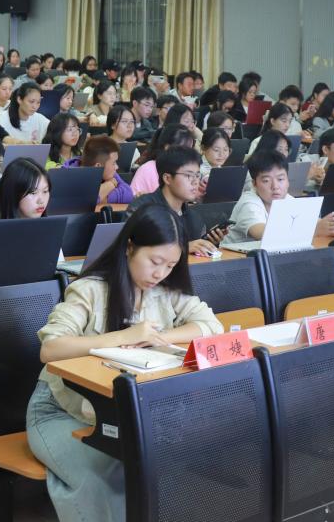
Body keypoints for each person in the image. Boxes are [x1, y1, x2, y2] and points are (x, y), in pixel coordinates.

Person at [27, 204, 223, 521]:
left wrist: (158, 337)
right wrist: (123, 337)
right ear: (130, 247)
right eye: (155, 262)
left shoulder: (165, 291)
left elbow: (211, 326)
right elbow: (50, 349)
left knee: (152, 466)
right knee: (102, 475)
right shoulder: (89, 289)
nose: (160, 273)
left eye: (171, 265)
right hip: (59, 411)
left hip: (120, 414)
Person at [222, 150, 334, 246]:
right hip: (235, 263)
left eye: (280, 179)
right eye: (266, 181)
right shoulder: (249, 202)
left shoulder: (287, 199)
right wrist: (315, 230)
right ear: (254, 184)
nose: (275, 186)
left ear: (288, 180)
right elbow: (264, 234)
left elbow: (314, 222)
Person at [128, 146, 226, 256]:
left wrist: (208, 243)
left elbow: (193, 254)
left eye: (197, 175)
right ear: (167, 178)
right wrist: (183, 247)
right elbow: (133, 252)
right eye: (188, 175)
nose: (195, 182)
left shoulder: (194, 218)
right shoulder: (141, 209)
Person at [0, 157, 50, 232]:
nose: (41, 201)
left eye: (45, 191)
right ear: (14, 192)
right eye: (33, 193)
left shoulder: (45, 226)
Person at [65, 136, 133, 204]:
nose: (117, 167)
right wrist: (110, 184)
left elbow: (129, 194)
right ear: (98, 166)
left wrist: (101, 198)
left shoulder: (110, 174)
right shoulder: (69, 175)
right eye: (113, 163)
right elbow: (81, 201)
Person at [131, 125, 195, 196]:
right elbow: (134, 199)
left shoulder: (189, 170)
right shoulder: (148, 169)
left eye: (190, 149)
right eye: (183, 149)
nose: (188, 154)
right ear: (167, 147)